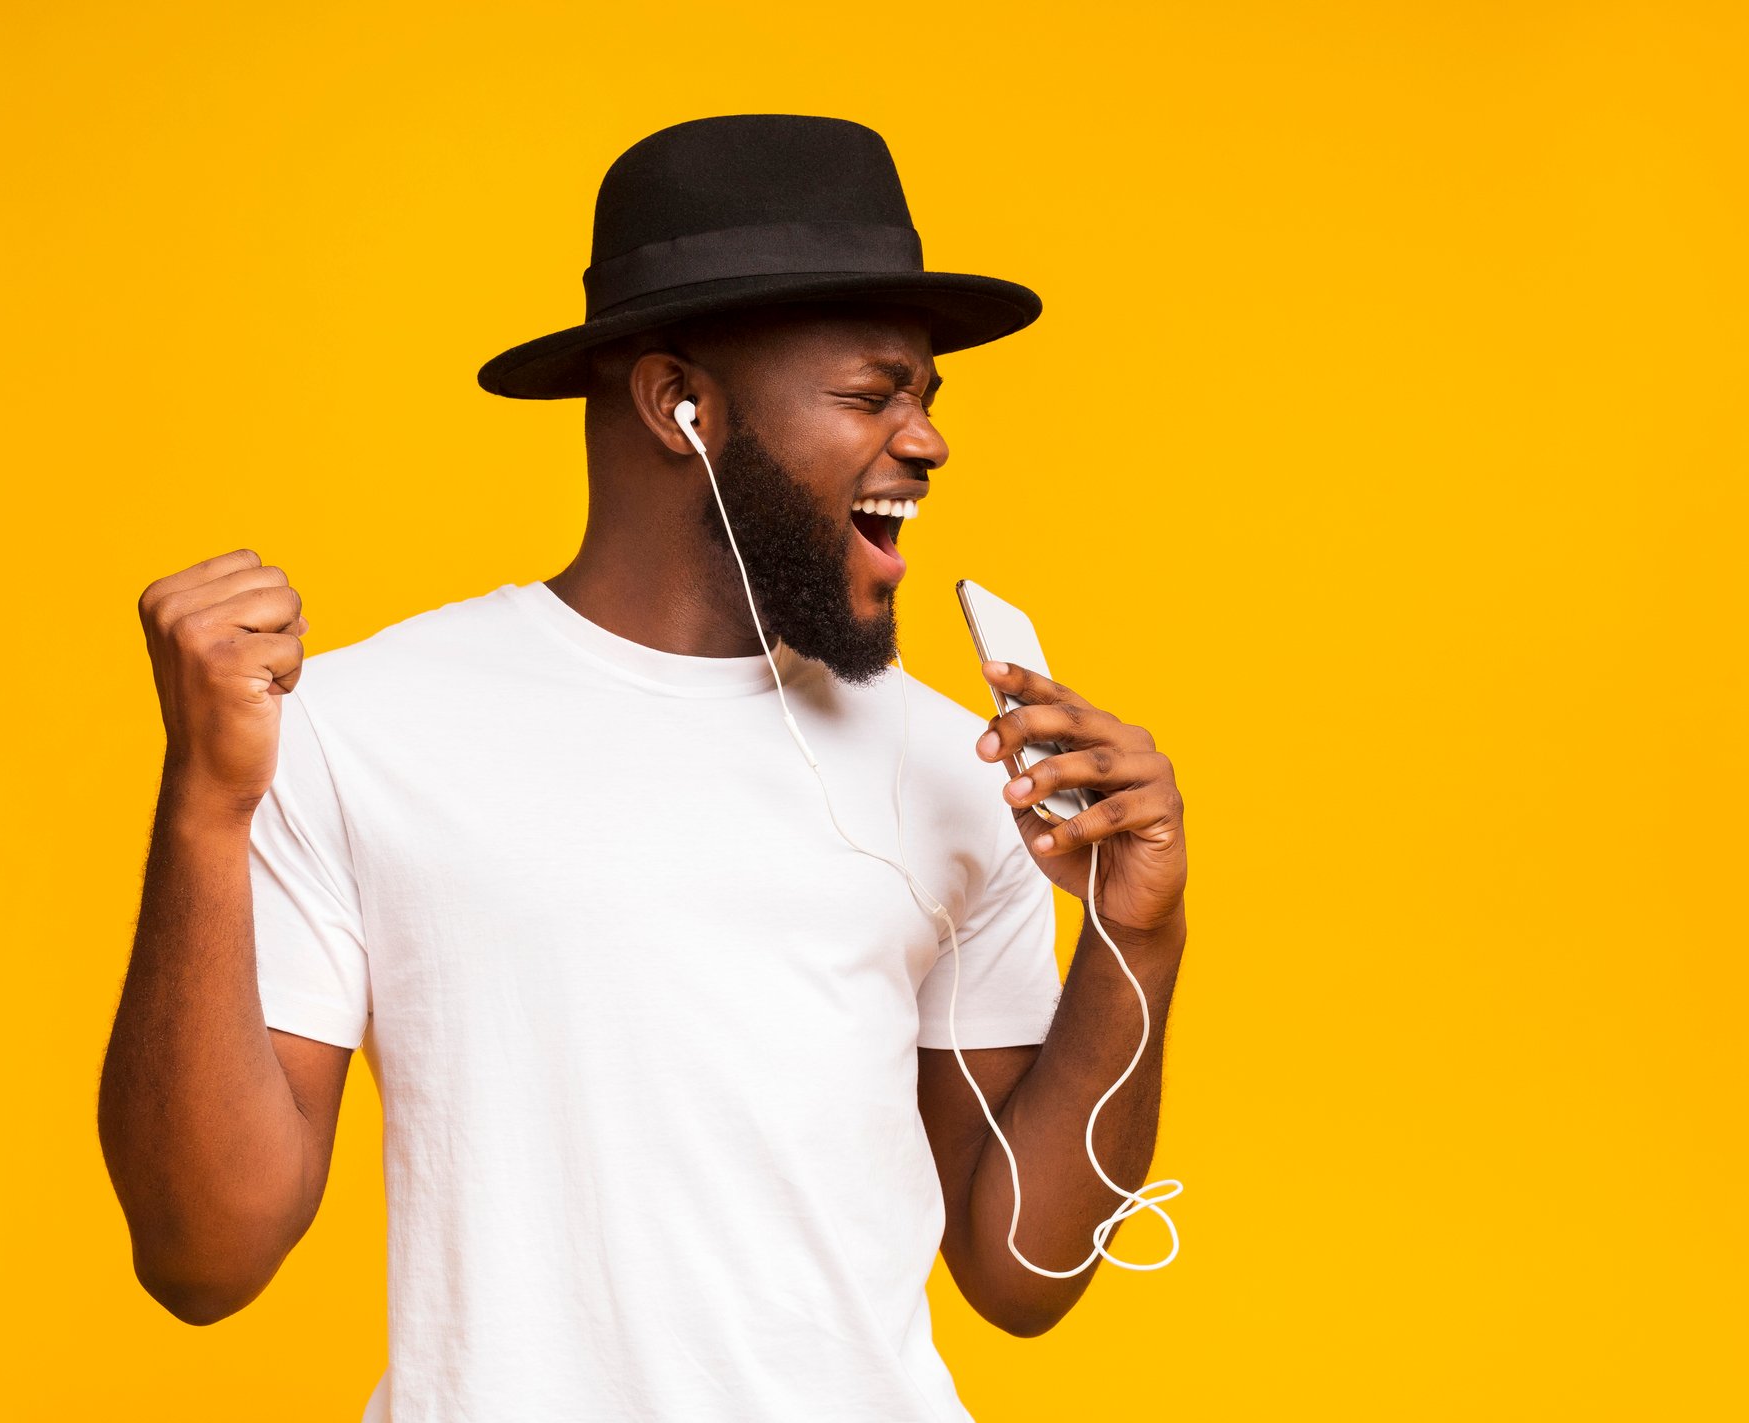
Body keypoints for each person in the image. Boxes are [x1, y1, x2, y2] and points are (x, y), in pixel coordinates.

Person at [98, 114, 1189, 1423]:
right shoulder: (359, 727)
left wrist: (1138, 936)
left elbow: (1023, 1274)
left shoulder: (967, 770)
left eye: (928, 399)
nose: (927, 442)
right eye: (871, 394)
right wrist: (205, 805)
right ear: (681, 405)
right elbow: (202, 1258)